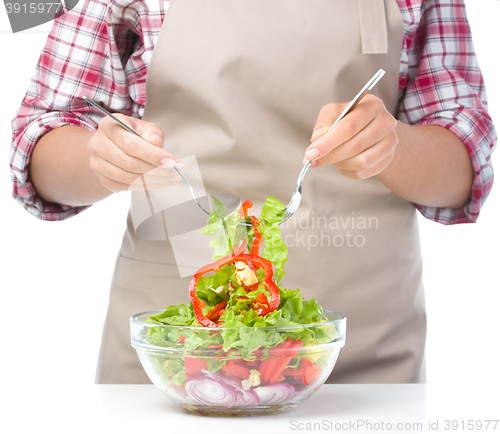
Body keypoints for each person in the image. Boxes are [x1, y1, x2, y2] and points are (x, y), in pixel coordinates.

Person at [10, 0, 496, 384]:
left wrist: (395, 147)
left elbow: (464, 173)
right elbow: (38, 147)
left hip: (364, 367)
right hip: (172, 367)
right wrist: (101, 158)